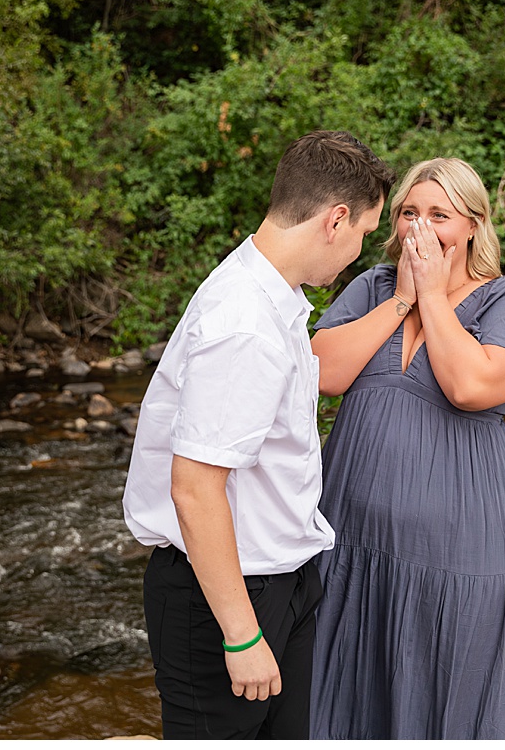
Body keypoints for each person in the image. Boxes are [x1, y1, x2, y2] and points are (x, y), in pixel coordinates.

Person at [122, 130, 396, 740]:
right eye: (361, 236)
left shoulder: (277, 297)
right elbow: (194, 488)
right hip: (223, 597)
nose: (357, 253)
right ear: (336, 219)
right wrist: (242, 634)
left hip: (280, 576)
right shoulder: (244, 323)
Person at [308, 157, 505, 739]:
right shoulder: (374, 287)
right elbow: (322, 372)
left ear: (474, 225)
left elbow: (471, 385)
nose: (420, 227)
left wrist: (431, 295)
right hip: (351, 538)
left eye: (439, 214)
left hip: (457, 549)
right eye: (409, 212)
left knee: (450, 684)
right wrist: (402, 301)